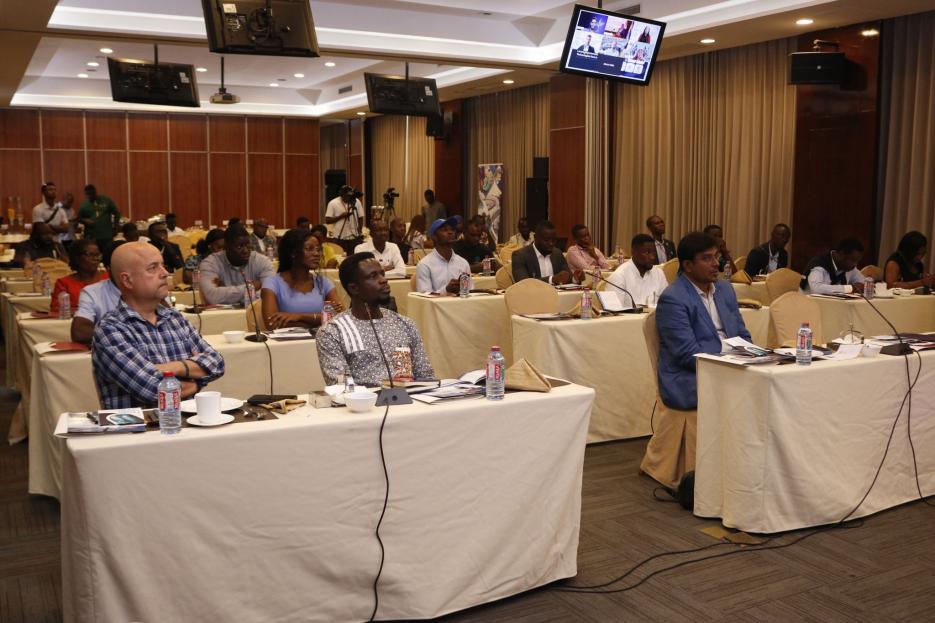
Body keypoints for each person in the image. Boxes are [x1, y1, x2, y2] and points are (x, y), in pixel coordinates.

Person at [91, 242, 225, 408]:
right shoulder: (110, 329)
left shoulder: (174, 318)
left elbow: (217, 363)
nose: (165, 273)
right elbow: (153, 389)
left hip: (188, 425)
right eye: (153, 268)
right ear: (127, 280)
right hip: (140, 431)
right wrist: (196, 383)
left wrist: (172, 368)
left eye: (163, 265)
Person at [655, 232, 752, 411]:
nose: (716, 263)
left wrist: (753, 356)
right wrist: (731, 358)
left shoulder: (724, 289)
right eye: (707, 258)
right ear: (688, 265)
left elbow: (743, 335)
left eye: (716, 256)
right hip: (690, 378)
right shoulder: (673, 298)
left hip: (729, 367)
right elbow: (688, 355)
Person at [316, 252, 434, 386]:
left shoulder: (405, 324)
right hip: (365, 404)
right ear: (354, 288)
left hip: (412, 401)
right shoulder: (333, 332)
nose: (383, 280)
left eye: (382, 274)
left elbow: (426, 377)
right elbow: (340, 387)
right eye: (373, 276)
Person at [261, 229, 344, 329]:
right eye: (309, 249)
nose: (317, 254)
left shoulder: (324, 283)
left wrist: (299, 316)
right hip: (288, 343)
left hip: (321, 341)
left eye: (318, 249)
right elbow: (272, 324)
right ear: (293, 253)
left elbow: (341, 318)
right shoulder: (272, 283)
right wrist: (320, 320)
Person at [198, 225, 275, 305]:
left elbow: (271, 293)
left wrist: (226, 293)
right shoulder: (210, 263)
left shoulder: (262, 261)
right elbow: (211, 296)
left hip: (255, 314)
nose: (245, 250)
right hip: (221, 316)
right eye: (239, 247)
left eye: (248, 245)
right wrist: (251, 287)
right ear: (226, 247)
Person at [72, 241, 125, 344]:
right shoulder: (92, 292)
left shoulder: (150, 288)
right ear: (108, 269)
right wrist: (131, 335)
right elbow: (80, 332)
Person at [607, 234, 668, 307]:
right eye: (647, 252)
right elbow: (613, 312)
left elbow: (667, 304)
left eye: (654, 253)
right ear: (633, 252)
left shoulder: (659, 273)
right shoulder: (619, 276)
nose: (652, 257)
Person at [415, 216, 472, 294]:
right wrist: (446, 290)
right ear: (434, 237)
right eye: (444, 230)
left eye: (452, 229)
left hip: (460, 305)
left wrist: (462, 290)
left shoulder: (463, 263)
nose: (450, 232)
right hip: (435, 306)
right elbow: (425, 296)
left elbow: (470, 291)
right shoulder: (425, 264)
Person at [50, 238, 108, 315]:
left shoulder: (109, 278)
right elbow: (57, 310)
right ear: (77, 258)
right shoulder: (64, 283)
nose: (95, 258)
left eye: (97, 255)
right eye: (90, 254)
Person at [511, 220, 577, 284]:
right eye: (546, 240)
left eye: (554, 240)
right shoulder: (520, 256)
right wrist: (552, 279)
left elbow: (566, 277)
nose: (551, 243)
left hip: (556, 294)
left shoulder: (557, 254)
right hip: (532, 294)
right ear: (535, 237)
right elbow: (523, 283)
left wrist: (575, 278)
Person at [800, 238, 866, 295]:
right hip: (810, 306)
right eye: (853, 260)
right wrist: (850, 288)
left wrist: (864, 287)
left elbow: (864, 283)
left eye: (857, 261)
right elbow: (816, 289)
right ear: (841, 254)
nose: (855, 265)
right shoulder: (819, 266)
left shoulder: (848, 268)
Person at [78, 184, 120, 252]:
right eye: (88, 194)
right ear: (86, 194)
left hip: (106, 235)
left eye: (92, 193)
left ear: (95, 192)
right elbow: (79, 219)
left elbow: (117, 213)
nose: (90, 196)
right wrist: (85, 220)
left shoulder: (106, 200)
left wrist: (116, 227)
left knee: (108, 255)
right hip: (91, 237)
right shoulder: (84, 205)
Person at [324, 185, 365, 254]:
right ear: (341, 195)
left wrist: (359, 230)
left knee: (354, 259)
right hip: (339, 238)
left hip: (354, 237)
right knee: (339, 258)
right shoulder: (333, 203)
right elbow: (327, 220)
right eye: (346, 196)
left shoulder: (356, 201)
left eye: (350, 196)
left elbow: (360, 217)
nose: (348, 198)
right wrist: (341, 216)